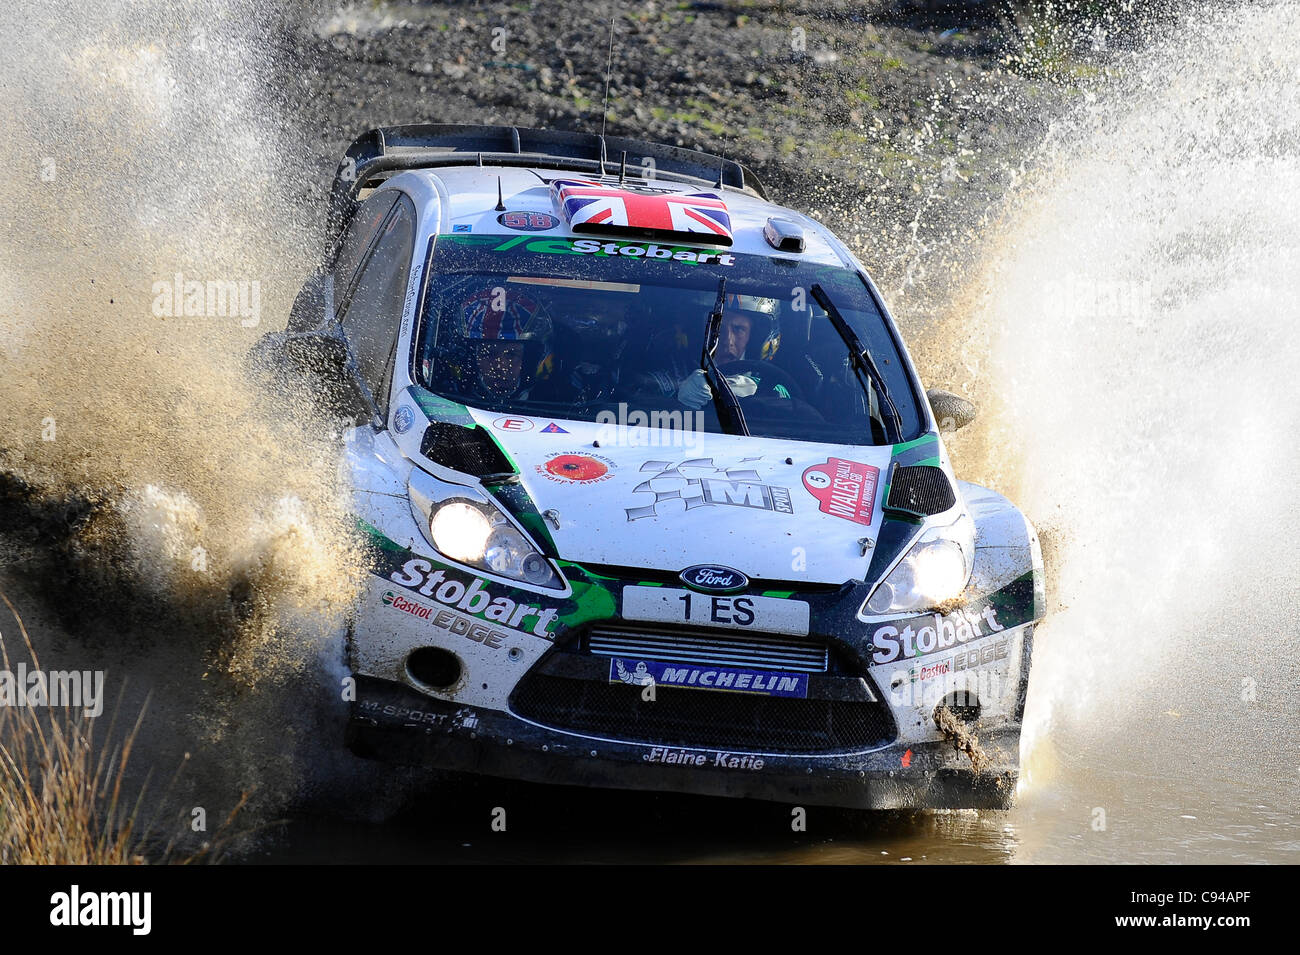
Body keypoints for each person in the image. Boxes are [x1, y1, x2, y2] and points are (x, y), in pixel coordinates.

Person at [672, 293, 782, 409]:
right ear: (698, 332)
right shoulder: (669, 379)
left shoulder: (771, 387)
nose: (727, 341)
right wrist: (677, 398)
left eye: (739, 329)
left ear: (753, 337)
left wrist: (758, 395)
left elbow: (792, 404)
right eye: (717, 328)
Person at [446, 284, 554, 401]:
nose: (499, 366)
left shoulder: (563, 401)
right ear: (471, 359)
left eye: (511, 354)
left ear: (532, 359)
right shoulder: (440, 393)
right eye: (488, 354)